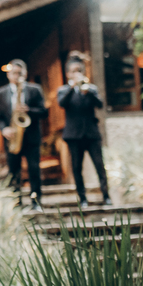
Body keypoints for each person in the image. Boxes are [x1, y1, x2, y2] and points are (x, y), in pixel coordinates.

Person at [57, 52, 112, 209]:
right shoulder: (63, 90)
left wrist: (88, 92)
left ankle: (106, 195)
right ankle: (82, 199)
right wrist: (73, 87)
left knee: (99, 166)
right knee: (76, 168)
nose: (77, 73)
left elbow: (100, 105)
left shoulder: (91, 88)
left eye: (79, 70)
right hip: (74, 136)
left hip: (91, 134)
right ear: (68, 73)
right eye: (74, 71)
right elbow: (62, 103)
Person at [0, 59, 48, 211]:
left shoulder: (34, 89)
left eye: (20, 73)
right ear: (8, 75)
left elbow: (44, 111)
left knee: (34, 169)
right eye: (14, 73)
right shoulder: (1, 92)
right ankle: (17, 203)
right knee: (14, 171)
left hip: (31, 137)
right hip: (12, 138)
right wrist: (4, 129)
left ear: (25, 74)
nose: (17, 76)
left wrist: (29, 110)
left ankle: (36, 202)